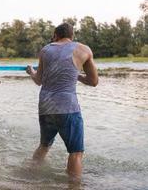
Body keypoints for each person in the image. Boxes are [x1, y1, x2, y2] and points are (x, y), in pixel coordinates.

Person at [26, 23, 98, 179]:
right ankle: (74, 186)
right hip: (67, 107)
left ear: (55, 35)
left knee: (44, 146)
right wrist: (76, 74)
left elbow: (39, 80)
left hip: (45, 107)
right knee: (75, 153)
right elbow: (93, 81)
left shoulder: (45, 50)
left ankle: (30, 176)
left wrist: (31, 72)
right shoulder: (83, 50)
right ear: (71, 36)